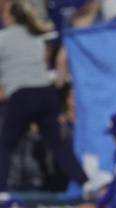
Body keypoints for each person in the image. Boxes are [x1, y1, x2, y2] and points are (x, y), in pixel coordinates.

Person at [0, 0, 89, 192]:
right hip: (45, 95)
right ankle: (86, 183)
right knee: (58, 145)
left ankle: (1, 192)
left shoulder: (3, 39)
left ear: (11, 17)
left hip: (21, 96)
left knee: (5, 147)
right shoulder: (37, 38)